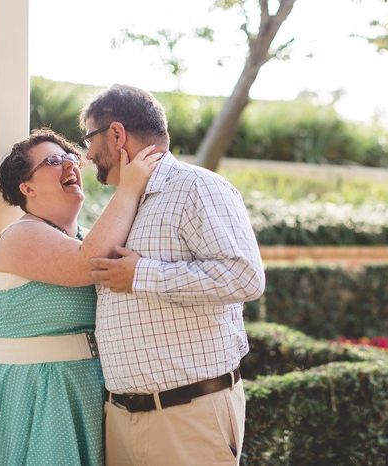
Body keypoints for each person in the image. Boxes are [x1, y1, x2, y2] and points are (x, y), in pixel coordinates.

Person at [0, 128, 161, 466]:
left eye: (70, 158)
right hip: (31, 391)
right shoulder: (21, 236)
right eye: (52, 161)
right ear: (27, 188)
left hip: (84, 388)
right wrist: (130, 186)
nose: (68, 165)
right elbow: (87, 264)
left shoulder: (88, 237)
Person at [81, 84, 265, 466]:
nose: (87, 153)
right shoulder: (127, 201)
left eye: (89, 138)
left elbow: (245, 277)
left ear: (116, 134)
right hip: (121, 419)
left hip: (187, 416)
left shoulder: (199, 187)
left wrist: (141, 274)